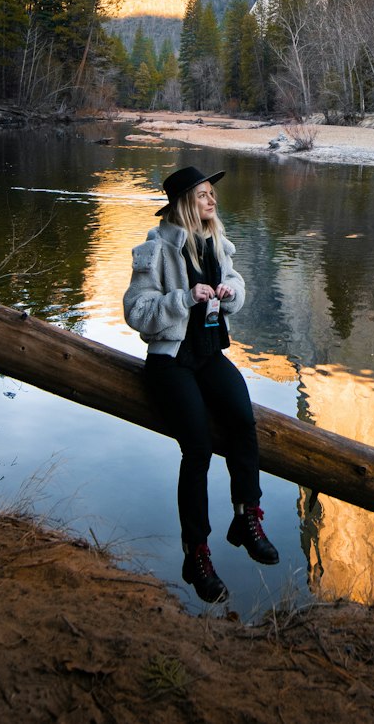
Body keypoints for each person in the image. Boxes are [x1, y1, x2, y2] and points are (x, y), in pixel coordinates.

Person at [123, 164, 278, 604]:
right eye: (204, 194)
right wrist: (183, 299)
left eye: (212, 194)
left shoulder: (215, 242)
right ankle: (197, 553)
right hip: (171, 363)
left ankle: (246, 517)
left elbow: (237, 283)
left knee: (243, 421)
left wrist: (229, 295)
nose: (212, 200)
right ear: (185, 203)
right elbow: (136, 311)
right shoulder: (155, 250)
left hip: (209, 355)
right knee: (197, 447)